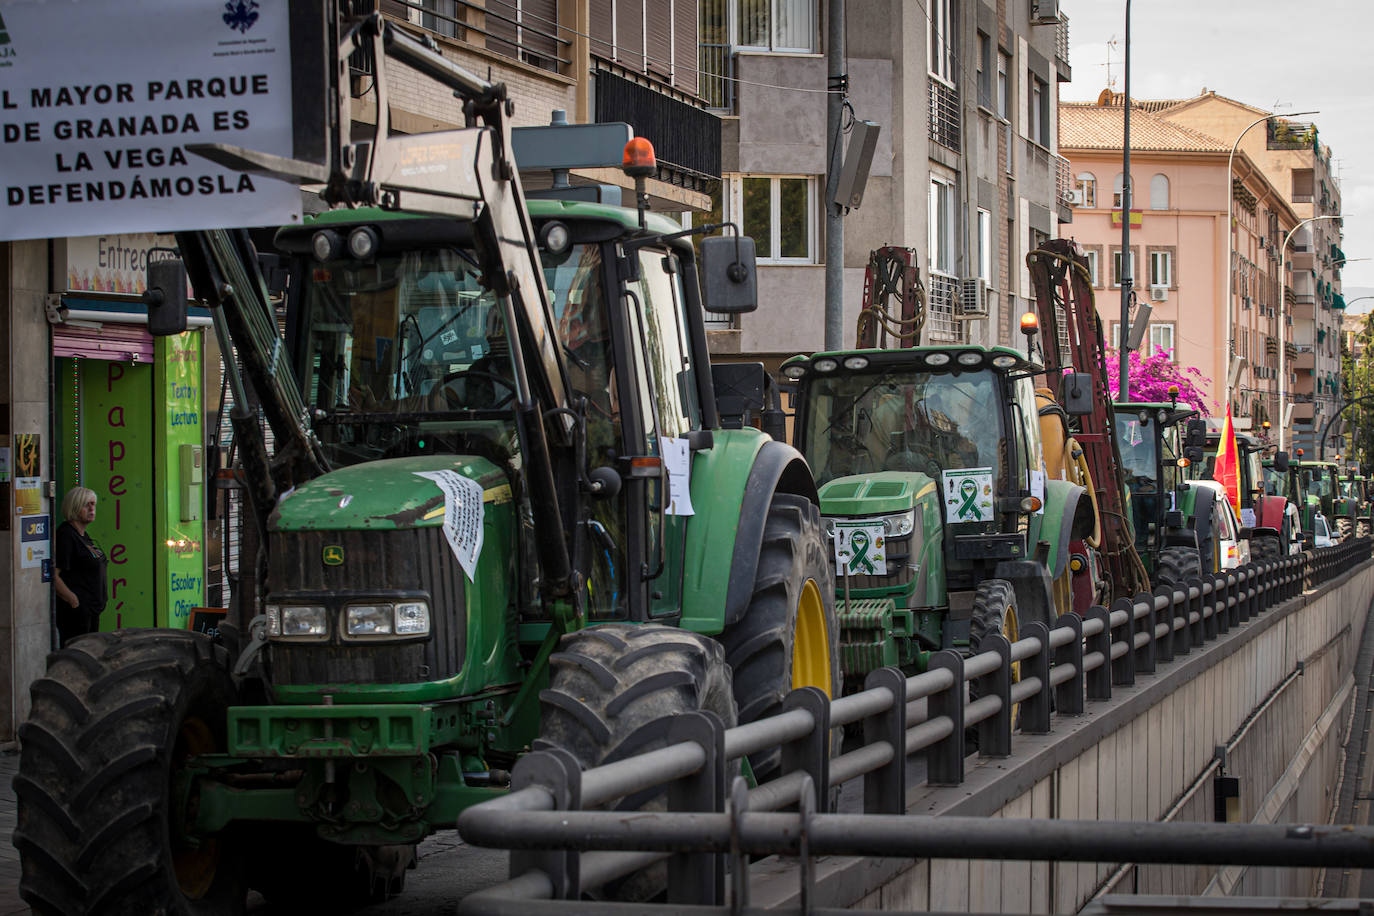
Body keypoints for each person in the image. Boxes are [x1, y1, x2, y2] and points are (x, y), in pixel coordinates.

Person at [54, 486, 107, 646]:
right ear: (75, 507)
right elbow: (54, 574)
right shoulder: (66, 535)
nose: (92, 509)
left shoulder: (84, 536)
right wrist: (73, 600)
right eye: (86, 505)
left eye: (93, 504)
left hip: (92, 611)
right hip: (77, 615)